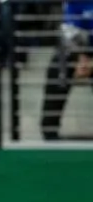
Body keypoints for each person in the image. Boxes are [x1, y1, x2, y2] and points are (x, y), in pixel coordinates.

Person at [40, 0, 93, 140]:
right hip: (80, 48)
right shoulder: (74, 3)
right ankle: (50, 132)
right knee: (58, 69)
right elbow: (70, 31)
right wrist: (82, 57)